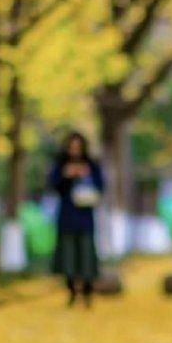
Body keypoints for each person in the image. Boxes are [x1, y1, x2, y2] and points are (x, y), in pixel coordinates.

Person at [48, 131, 105, 307]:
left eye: (78, 147)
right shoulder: (61, 166)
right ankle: (72, 291)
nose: (75, 150)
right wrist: (66, 175)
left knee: (86, 256)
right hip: (67, 217)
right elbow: (53, 184)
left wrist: (86, 175)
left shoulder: (92, 166)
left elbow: (101, 186)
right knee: (68, 258)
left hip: (85, 217)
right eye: (72, 147)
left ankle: (88, 292)